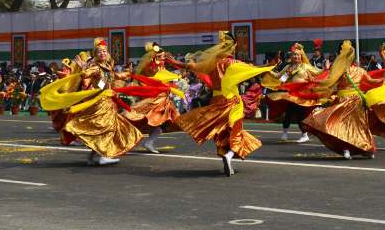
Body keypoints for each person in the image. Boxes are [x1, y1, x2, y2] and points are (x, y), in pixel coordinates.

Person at [176, 32, 275, 176]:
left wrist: (173, 62)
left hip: (216, 101)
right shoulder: (232, 63)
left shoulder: (211, 63)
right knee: (235, 132)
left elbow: (191, 66)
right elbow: (253, 70)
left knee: (222, 134)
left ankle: (226, 158)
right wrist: (268, 66)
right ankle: (229, 156)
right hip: (231, 102)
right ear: (232, 47)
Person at [40, 38, 142, 166]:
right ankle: (103, 156)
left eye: (104, 51)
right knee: (107, 128)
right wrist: (84, 67)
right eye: (99, 52)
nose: (103, 54)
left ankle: (91, 157)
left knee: (101, 128)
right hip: (101, 102)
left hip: (107, 100)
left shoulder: (107, 66)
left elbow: (115, 76)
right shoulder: (95, 67)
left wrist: (128, 74)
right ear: (95, 54)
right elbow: (86, 75)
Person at [121, 42, 186, 154]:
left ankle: (149, 142)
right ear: (154, 57)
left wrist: (177, 73)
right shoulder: (150, 68)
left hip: (162, 99)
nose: (163, 59)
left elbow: (166, 77)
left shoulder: (160, 68)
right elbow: (152, 80)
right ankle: (127, 141)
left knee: (160, 123)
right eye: (161, 57)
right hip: (154, 100)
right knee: (145, 121)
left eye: (164, 57)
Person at [263, 43, 321, 143]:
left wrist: (329, 68)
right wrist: (267, 70)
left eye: (298, 55)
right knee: (288, 113)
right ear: (291, 56)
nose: (296, 56)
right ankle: (285, 133)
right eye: (294, 55)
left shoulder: (306, 67)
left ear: (301, 56)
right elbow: (279, 77)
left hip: (302, 94)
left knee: (300, 114)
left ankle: (304, 134)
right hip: (291, 94)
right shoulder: (288, 67)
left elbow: (318, 72)